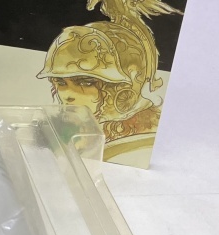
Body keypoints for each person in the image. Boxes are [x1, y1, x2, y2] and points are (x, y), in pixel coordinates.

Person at [37, 21, 161, 161]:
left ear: (120, 87)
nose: (68, 95)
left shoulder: (142, 145)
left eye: (85, 83)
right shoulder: (75, 134)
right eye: (61, 83)